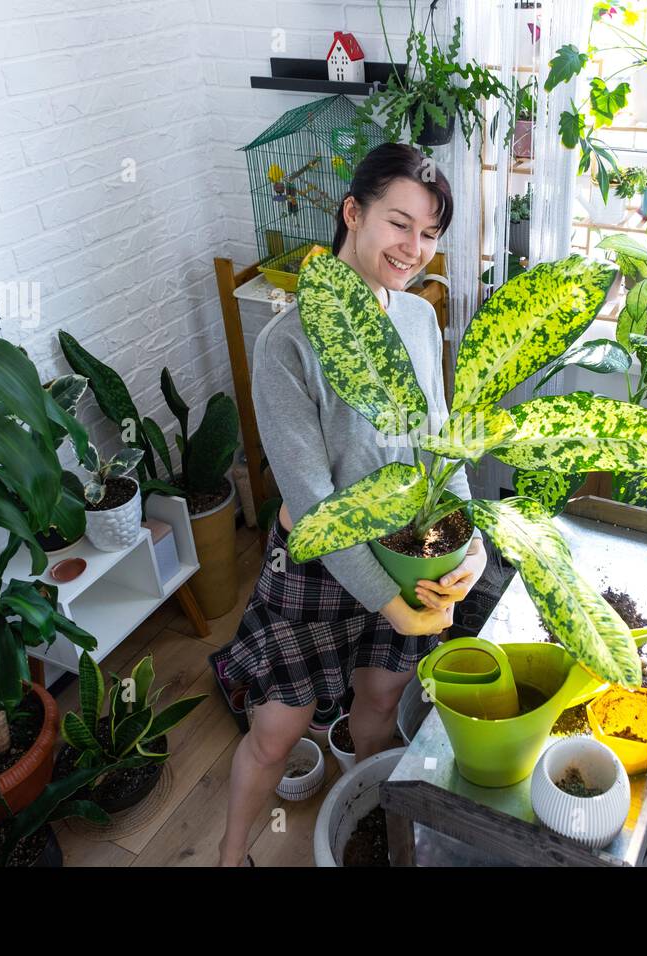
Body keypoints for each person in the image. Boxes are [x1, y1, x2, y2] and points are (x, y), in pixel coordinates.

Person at [212, 143, 486, 867]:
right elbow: (317, 505)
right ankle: (230, 855)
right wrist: (396, 608)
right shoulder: (285, 344)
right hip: (315, 565)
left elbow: (438, 448)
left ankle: (374, 830)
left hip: (405, 553)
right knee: (275, 732)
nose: (414, 249)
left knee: (377, 709)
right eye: (400, 224)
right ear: (353, 212)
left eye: (429, 235)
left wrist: (472, 541)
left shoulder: (421, 321)